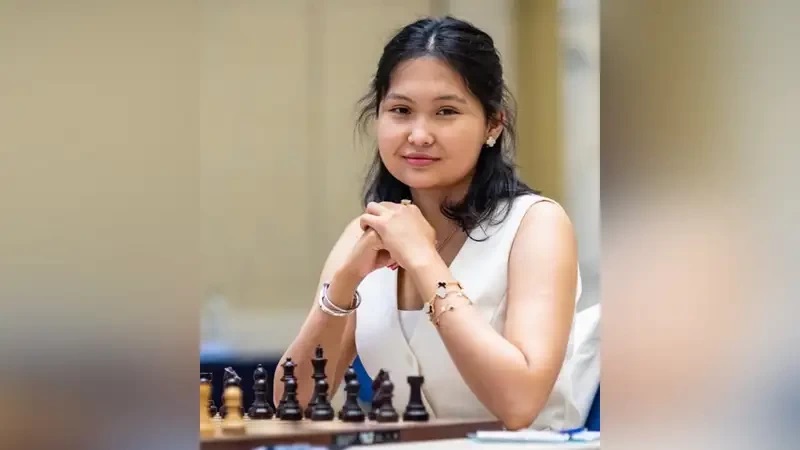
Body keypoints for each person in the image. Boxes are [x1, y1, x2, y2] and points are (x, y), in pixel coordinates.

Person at [274, 16, 599, 431]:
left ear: (493, 124)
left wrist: (423, 260)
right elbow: (291, 404)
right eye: (401, 111)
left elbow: (519, 405)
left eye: (446, 111)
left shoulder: (536, 225)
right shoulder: (365, 232)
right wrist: (343, 284)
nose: (419, 134)